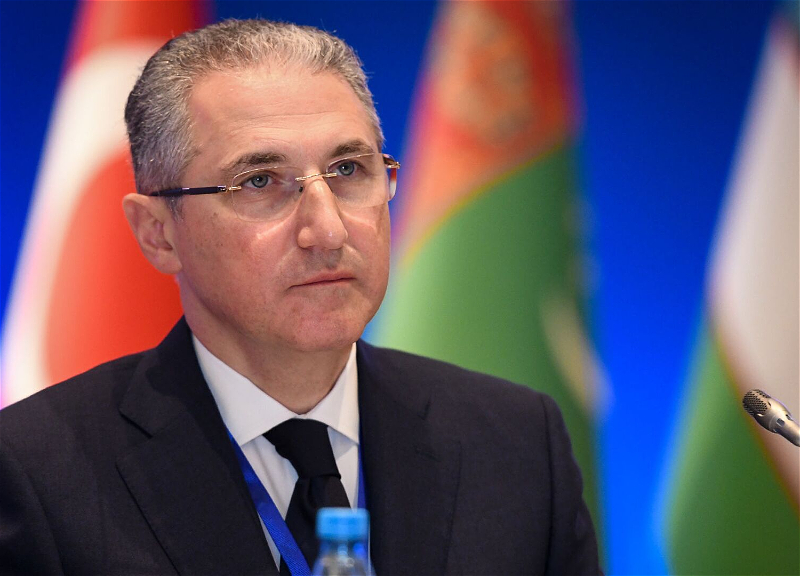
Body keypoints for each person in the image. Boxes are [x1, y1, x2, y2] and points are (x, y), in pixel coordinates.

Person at [0, 19, 601, 576]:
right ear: (158, 233)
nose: (329, 231)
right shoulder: (36, 473)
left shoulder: (518, 443)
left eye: (349, 170)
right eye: (259, 182)